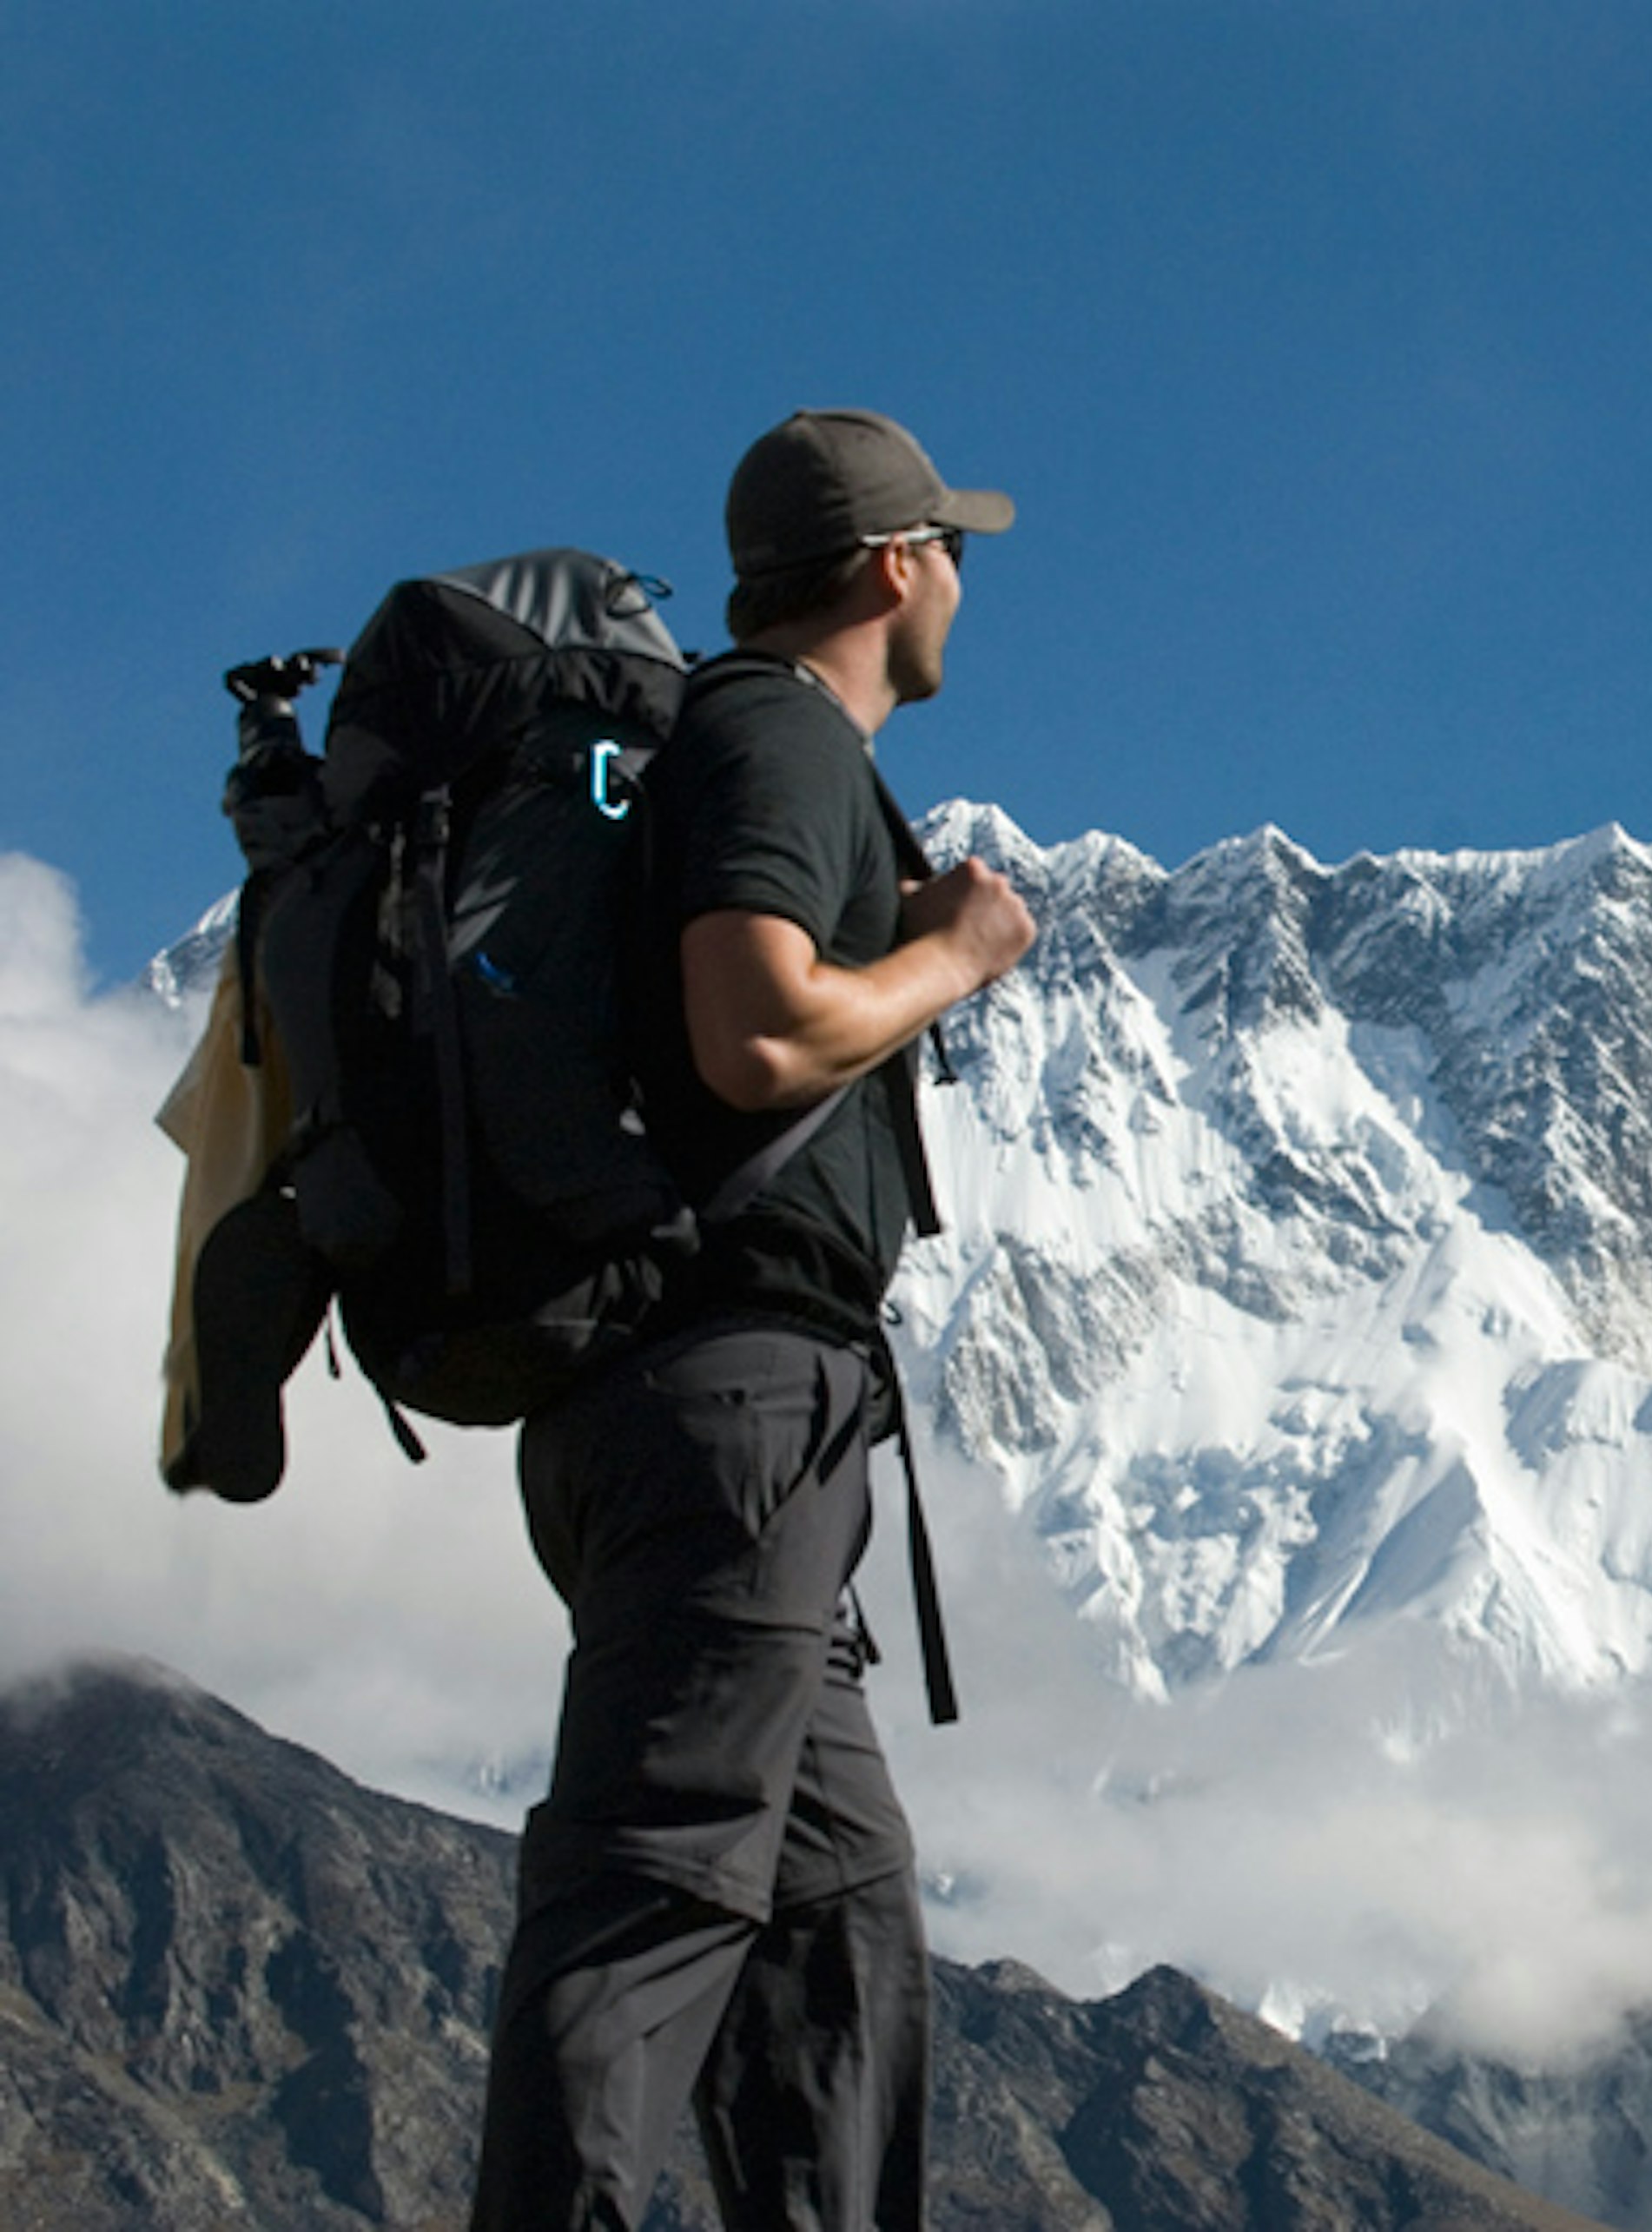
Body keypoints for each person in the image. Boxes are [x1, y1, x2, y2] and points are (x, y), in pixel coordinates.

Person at [471, 409, 1036, 2231]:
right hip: (727, 1410)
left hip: (726, 1423)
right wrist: (952, 952)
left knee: (836, 1935)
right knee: (651, 1900)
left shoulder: (736, 742)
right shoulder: (776, 732)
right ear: (891, 564)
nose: (961, 576)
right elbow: (761, 1029)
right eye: (950, 544)